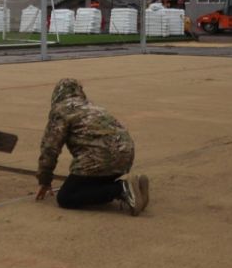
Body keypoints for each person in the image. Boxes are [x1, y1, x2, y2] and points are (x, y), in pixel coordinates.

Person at [35, 78, 149, 216]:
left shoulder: (61, 110)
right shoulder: (92, 106)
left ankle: (121, 189)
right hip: (125, 155)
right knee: (93, 185)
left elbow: (50, 148)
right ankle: (132, 186)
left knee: (67, 197)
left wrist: (44, 181)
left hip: (100, 158)